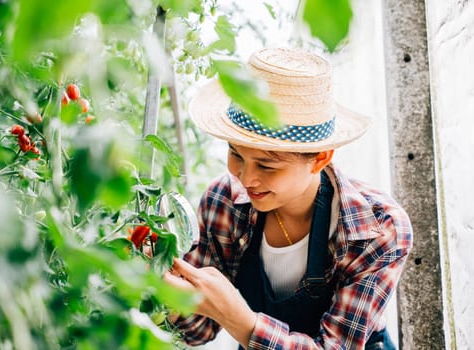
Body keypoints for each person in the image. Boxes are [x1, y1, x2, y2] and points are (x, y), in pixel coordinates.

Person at [163, 47, 413, 349]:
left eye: (266, 166)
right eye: (235, 154)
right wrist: (165, 288)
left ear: (320, 158)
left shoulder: (378, 228)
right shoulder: (223, 202)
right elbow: (196, 332)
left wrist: (242, 321)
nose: (245, 177)